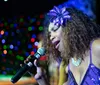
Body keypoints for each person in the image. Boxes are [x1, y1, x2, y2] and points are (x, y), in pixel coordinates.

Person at [42, 6, 100, 85]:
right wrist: (41, 80)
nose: (51, 37)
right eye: (49, 34)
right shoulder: (68, 67)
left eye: (55, 29)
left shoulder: (96, 47)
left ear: (70, 28)